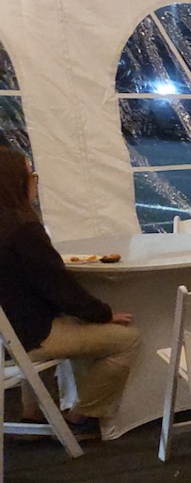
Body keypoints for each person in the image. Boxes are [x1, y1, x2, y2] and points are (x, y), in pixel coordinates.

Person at [0, 147, 139, 439]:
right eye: (31, 176)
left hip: (9, 335)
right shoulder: (24, 230)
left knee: (69, 323)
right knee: (127, 339)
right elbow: (59, 287)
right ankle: (80, 416)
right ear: (16, 182)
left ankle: (32, 412)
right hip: (33, 334)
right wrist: (104, 314)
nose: (35, 182)